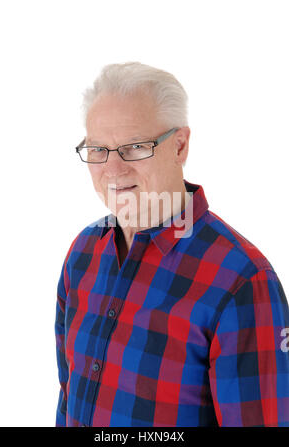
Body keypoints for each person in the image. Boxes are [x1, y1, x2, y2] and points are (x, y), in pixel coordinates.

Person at [55, 62, 289, 427]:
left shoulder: (243, 281)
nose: (113, 170)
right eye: (98, 149)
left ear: (179, 146)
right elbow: (67, 396)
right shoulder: (83, 254)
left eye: (134, 147)